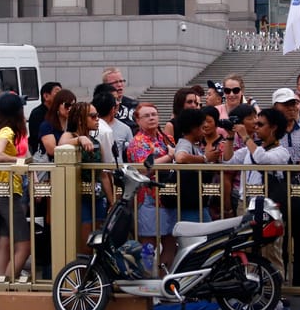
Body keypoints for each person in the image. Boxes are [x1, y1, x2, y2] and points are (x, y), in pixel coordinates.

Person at [222, 107, 290, 280]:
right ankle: (251, 293)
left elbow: (263, 159)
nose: (256, 127)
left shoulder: (281, 152)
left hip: (268, 207)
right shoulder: (252, 149)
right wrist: (230, 137)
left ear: (273, 128)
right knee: (245, 251)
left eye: (260, 124)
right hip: (246, 203)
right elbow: (228, 160)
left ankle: (275, 297)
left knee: (270, 252)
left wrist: (245, 137)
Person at [272, 88, 300, 286]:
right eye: (286, 105)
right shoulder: (270, 129)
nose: (291, 108)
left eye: (294, 104)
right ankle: (279, 277)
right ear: (276, 107)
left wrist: (295, 167)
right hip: (278, 185)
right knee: (279, 231)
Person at [127, 102, 177, 269]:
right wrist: (169, 158)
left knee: (170, 241)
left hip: (168, 195)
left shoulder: (166, 138)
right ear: (138, 120)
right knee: (148, 243)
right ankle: (146, 278)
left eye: (154, 114)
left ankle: (163, 282)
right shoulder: (137, 142)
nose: (151, 118)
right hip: (148, 197)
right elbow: (143, 166)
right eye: (146, 116)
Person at [59, 102, 114, 253]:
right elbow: (61, 145)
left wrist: (111, 201)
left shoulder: (96, 141)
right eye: (93, 116)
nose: (97, 119)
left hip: (98, 195)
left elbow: (103, 174)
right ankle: (84, 273)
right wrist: (79, 139)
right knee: (85, 240)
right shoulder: (69, 136)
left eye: (97, 116)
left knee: (99, 237)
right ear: (81, 119)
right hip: (79, 196)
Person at [0, 93, 31, 278]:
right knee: (25, 245)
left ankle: (1, 284)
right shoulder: (8, 131)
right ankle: (8, 283)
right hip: (8, 192)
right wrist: (20, 161)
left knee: (5, 240)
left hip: (2, 190)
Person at [174, 108, 219, 222]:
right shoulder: (185, 143)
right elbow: (180, 157)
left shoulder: (194, 146)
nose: (204, 132)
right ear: (193, 128)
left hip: (197, 202)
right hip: (189, 204)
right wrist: (205, 158)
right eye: (202, 128)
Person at [93, 83, 132, 162]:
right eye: (113, 100)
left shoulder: (125, 128)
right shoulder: (87, 126)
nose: (117, 103)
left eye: (118, 99)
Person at [37, 89, 77, 161]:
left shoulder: (73, 123)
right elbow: (52, 151)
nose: (70, 109)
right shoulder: (46, 126)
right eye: (67, 105)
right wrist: (78, 140)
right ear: (57, 105)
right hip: (51, 167)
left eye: (73, 106)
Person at [28, 82, 62, 155]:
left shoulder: (59, 112)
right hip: (42, 155)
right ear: (46, 96)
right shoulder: (37, 113)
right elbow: (37, 137)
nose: (61, 96)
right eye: (57, 92)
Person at [102, 67, 138, 134]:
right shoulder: (97, 107)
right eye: (115, 82)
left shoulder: (134, 105)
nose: (119, 85)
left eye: (121, 81)